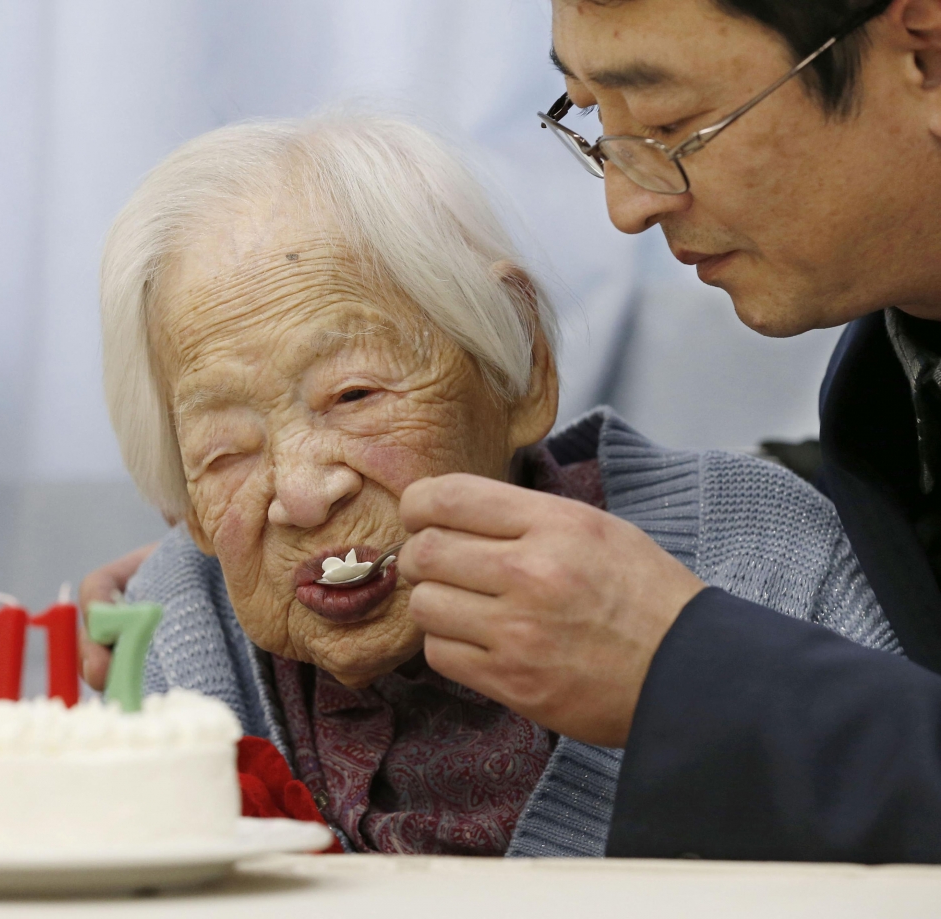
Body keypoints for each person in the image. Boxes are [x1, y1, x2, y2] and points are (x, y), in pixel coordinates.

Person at [84, 111, 897, 856]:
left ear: (519, 367)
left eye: (355, 394)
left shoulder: (762, 562)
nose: (302, 494)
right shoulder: (182, 639)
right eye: (227, 449)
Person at [398, 0, 941, 862]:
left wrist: (687, 670)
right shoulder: (900, 355)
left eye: (669, 123)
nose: (628, 206)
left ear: (927, 57)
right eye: (589, 118)